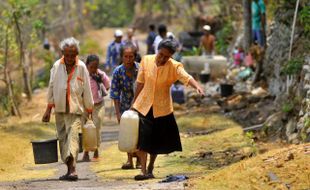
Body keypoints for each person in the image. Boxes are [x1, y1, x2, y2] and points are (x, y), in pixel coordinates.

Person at [132, 39, 205, 180]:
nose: (163, 58)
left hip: (162, 108)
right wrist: (134, 102)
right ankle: (143, 171)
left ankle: (150, 167)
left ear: (171, 56)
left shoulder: (174, 66)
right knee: (143, 138)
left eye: (167, 56)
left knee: (155, 140)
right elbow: (140, 82)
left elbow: (186, 76)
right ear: (157, 51)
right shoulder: (146, 60)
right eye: (161, 54)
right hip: (144, 105)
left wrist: (197, 86)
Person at [42, 37, 94, 181]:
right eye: (67, 54)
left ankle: (73, 169)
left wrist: (89, 109)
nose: (70, 58)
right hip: (59, 108)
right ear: (62, 53)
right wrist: (48, 109)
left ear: (77, 53)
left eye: (73, 54)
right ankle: (69, 168)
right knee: (63, 138)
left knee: (73, 137)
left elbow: (87, 90)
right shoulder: (56, 66)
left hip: (75, 109)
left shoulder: (82, 67)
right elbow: (51, 87)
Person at [110, 43, 141, 170]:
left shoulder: (140, 69)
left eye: (131, 56)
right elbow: (115, 94)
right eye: (126, 56)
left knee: (139, 132)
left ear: (135, 56)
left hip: (140, 105)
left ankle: (140, 159)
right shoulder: (118, 71)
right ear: (122, 57)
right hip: (125, 106)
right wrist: (118, 113)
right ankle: (129, 160)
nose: (128, 59)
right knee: (128, 132)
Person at [82, 54, 110, 162]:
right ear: (87, 65)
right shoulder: (82, 75)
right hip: (85, 106)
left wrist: (100, 81)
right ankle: (86, 152)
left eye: (96, 67)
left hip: (98, 105)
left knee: (96, 127)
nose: (93, 69)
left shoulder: (100, 74)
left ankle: (96, 149)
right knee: (86, 129)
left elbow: (108, 85)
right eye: (91, 67)